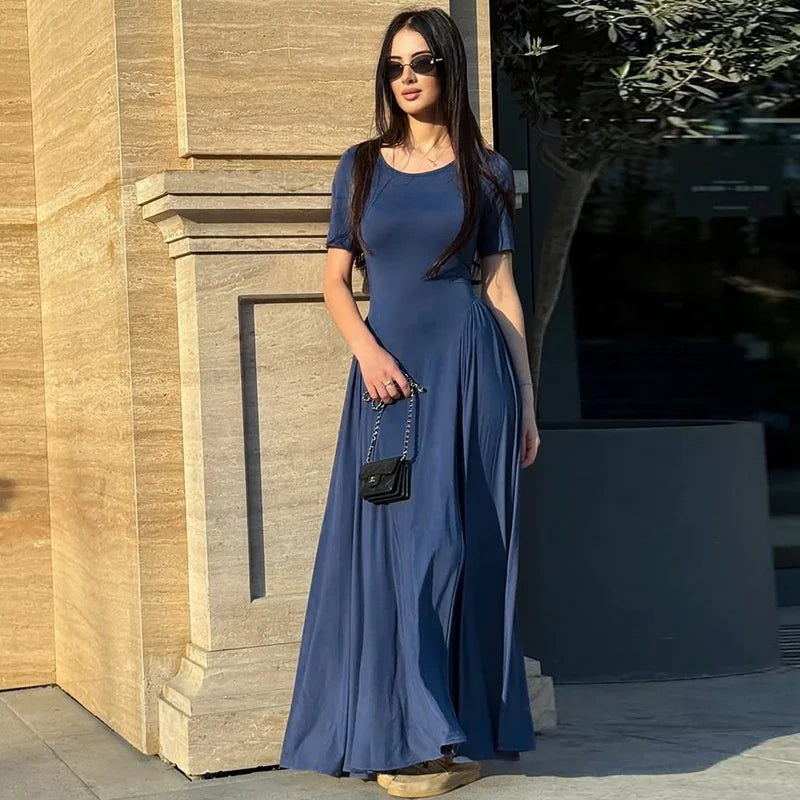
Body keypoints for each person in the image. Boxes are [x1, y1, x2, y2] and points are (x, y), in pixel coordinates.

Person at [279, 7, 541, 798]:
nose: (408, 77)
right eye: (395, 65)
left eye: (423, 62)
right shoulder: (360, 166)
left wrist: (526, 400)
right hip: (391, 386)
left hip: (474, 373)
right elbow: (334, 280)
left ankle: (443, 732)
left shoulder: (485, 170)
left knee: (463, 551)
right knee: (403, 552)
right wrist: (366, 351)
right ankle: (400, 729)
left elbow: (498, 288)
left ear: (449, 69)